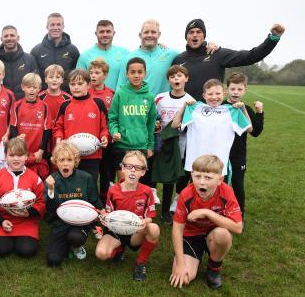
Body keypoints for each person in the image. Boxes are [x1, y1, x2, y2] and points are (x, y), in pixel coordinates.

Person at [169, 154, 243, 290]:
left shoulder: (226, 192)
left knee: (223, 235)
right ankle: (192, 257)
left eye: (208, 178)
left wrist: (207, 213)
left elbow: (238, 228)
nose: (201, 182)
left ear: (220, 179)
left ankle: (214, 268)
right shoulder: (186, 194)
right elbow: (177, 229)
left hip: (213, 234)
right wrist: (180, 263)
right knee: (184, 279)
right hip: (191, 236)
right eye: (197, 176)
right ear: (191, 176)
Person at [173, 19, 285, 100]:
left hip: (213, 115)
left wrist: (273, 39)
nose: (195, 35)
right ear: (186, 36)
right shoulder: (178, 59)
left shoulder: (216, 53)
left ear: (204, 36)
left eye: (199, 32)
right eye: (191, 32)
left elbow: (251, 56)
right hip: (186, 116)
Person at [95, 151, 160, 281]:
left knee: (154, 228)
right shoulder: (113, 190)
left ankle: (140, 264)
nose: (132, 171)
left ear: (143, 172)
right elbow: (109, 212)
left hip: (135, 232)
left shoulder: (147, 191)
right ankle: (119, 249)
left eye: (137, 168)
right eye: (129, 166)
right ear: (122, 168)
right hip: (116, 231)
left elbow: (150, 216)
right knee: (101, 254)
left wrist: (144, 222)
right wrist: (104, 218)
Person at [172, 79, 252, 176]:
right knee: (198, 189)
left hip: (219, 163)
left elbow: (249, 129)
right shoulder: (195, 108)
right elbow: (175, 125)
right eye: (210, 94)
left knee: (218, 190)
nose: (214, 97)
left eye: (218, 93)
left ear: (224, 94)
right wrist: (184, 106)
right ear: (204, 96)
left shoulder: (231, 111)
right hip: (197, 162)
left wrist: (243, 110)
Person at [44, 141, 105, 266]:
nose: (65, 163)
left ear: (75, 161)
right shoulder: (51, 180)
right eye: (61, 160)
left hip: (81, 222)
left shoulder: (86, 178)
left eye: (69, 160)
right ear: (55, 162)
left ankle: (76, 246)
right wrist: (50, 189)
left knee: (76, 237)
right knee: (53, 260)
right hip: (60, 222)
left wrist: (102, 211)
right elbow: (49, 210)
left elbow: (94, 199)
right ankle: (65, 246)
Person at [0, 138, 45, 258]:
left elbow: (41, 203)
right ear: (5, 156)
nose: (16, 159)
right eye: (11, 155)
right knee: (1, 249)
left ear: (26, 156)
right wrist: (1, 221)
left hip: (26, 222)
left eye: (20, 155)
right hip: (2, 221)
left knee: (26, 251)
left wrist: (28, 213)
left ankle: (22, 238)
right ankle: (5, 238)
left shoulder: (35, 179)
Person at [53, 69, 109, 187]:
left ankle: (91, 205)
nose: (76, 87)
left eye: (80, 84)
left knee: (90, 185)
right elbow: (58, 127)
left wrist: (105, 136)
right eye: (72, 84)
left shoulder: (98, 103)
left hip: (92, 155)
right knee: (70, 186)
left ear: (88, 85)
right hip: (69, 156)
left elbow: (105, 126)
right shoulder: (65, 105)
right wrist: (58, 139)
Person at [153, 65, 194, 224]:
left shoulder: (190, 101)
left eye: (180, 76)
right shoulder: (160, 98)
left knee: (172, 178)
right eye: (172, 77)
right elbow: (154, 117)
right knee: (155, 174)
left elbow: (190, 124)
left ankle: (166, 211)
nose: (176, 79)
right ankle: (151, 204)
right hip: (160, 143)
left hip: (180, 145)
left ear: (186, 78)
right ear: (168, 80)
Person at [108, 57, 157, 183]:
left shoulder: (150, 97)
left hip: (141, 146)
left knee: (137, 184)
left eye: (140, 72)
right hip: (122, 145)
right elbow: (112, 119)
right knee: (123, 182)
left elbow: (151, 124)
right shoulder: (120, 94)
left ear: (145, 74)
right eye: (132, 72)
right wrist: (114, 132)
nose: (136, 75)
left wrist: (150, 145)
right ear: (127, 74)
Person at [223, 72, 264, 216]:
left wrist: (259, 112)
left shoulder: (246, 109)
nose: (235, 92)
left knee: (238, 184)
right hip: (220, 153)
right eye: (233, 89)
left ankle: (239, 214)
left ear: (245, 90)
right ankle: (219, 212)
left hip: (238, 154)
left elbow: (255, 131)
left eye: (239, 89)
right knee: (219, 185)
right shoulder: (220, 106)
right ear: (227, 89)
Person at [117, 19, 178, 96]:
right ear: (140, 35)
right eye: (146, 32)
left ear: (159, 34)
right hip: (138, 106)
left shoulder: (171, 54)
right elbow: (120, 87)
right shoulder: (129, 58)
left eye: (153, 32)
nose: (149, 35)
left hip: (163, 106)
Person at [9, 73, 52, 179]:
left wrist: (41, 151)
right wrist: (17, 139)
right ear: (23, 87)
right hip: (21, 152)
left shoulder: (44, 106)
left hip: (38, 153)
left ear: (39, 88)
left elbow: (47, 130)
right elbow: (13, 127)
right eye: (28, 87)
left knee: (39, 181)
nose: (31, 90)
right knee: (22, 180)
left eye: (34, 87)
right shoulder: (17, 105)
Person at [31, 13, 80, 92]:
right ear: (47, 27)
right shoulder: (36, 51)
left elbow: (77, 74)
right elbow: (33, 77)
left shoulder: (72, 50)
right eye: (52, 25)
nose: (55, 27)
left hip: (68, 96)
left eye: (58, 25)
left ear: (63, 26)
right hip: (43, 97)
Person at [88, 58, 115, 199]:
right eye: (91, 72)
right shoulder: (85, 92)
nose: (93, 75)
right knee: (91, 172)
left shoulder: (112, 94)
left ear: (105, 75)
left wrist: (110, 135)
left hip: (107, 140)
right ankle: (90, 197)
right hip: (89, 141)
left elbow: (114, 118)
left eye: (97, 72)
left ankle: (105, 197)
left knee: (106, 171)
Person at [76, 20, 130, 90]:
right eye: (101, 32)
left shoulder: (125, 54)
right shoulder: (85, 56)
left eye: (108, 31)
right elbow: (79, 81)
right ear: (96, 33)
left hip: (120, 99)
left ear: (113, 33)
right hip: (93, 99)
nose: (105, 34)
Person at [0, 25, 38, 99]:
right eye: (6, 36)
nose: (9, 38)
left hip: (24, 106)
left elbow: (36, 84)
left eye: (12, 35)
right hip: (3, 106)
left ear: (18, 38)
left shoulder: (30, 59)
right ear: (1, 39)